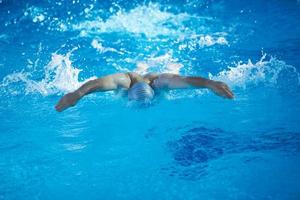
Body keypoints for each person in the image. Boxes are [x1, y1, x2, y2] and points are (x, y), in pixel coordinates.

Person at [55, 72, 234, 112]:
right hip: (133, 78)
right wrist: (77, 93)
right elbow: (99, 83)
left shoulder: (159, 83)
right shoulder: (124, 81)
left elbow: (186, 80)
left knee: (170, 73)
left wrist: (210, 83)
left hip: (155, 78)